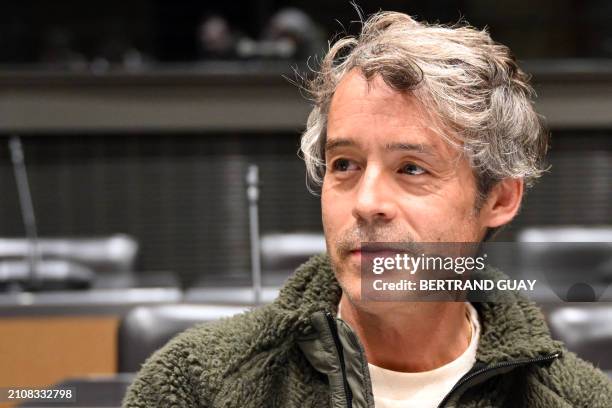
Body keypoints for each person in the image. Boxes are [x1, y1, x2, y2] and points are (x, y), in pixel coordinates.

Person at [122, 11, 612, 407]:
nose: (367, 203)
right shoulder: (194, 387)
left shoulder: (580, 400)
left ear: (500, 199)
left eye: (412, 169)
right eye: (345, 165)